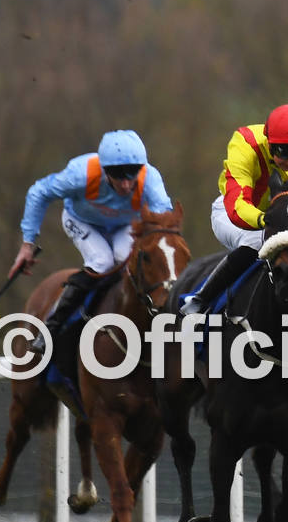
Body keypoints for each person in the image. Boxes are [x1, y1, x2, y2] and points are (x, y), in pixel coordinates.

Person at [180, 103, 288, 343]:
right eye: (284, 153)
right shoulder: (245, 144)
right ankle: (200, 300)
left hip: (285, 214)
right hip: (237, 212)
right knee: (256, 240)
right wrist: (268, 221)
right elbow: (237, 206)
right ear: (269, 143)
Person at [10, 129, 173, 354]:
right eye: (117, 175)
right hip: (82, 221)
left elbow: (163, 219)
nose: (126, 185)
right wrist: (27, 245)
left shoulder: (150, 179)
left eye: (132, 173)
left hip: (124, 225)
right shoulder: (80, 174)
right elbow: (39, 193)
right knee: (103, 261)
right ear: (105, 171)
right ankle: (51, 327)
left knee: (127, 262)